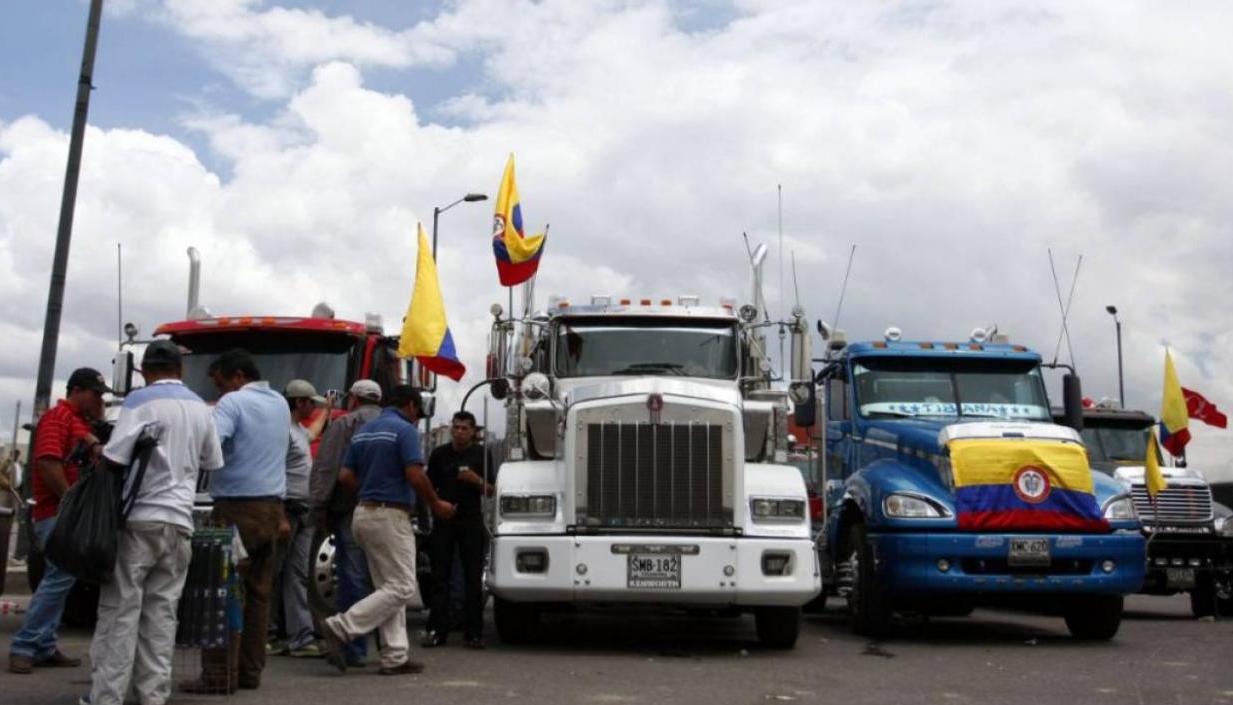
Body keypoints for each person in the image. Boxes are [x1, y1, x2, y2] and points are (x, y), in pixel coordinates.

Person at [84, 341, 224, 705]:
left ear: (145, 370)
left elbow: (115, 456)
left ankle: (106, 698)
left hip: (139, 520)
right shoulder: (201, 408)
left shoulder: (138, 401)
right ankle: (152, 696)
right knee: (162, 616)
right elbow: (212, 460)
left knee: (120, 611)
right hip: (180, 523)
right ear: (181, 370)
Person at [320, 386, 454, 676]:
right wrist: (436, 504)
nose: (417, 418)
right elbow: (415, 475)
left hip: (363, 513)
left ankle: (395, 656)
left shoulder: (365, 431)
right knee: (403, 586)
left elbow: (344, 476)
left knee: (388, 587)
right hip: (390, 516)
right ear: (410, 406)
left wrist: (369, 490)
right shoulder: (404, 431)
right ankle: (341, 627)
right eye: (417, 412)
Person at [182, 348, 290, 693]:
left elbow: (210, 445)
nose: (219, 392)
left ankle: (218, 676)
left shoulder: (233, 404)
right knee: (259, 595)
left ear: (238, 377)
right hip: (271, 509)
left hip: (236, 510)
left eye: (220, 383)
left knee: (222, 590)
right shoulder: (280, 403)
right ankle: (249, 673)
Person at [8, 368, 108, 674]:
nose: (98, 400)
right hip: (56, 514)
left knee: (61, 581)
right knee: (57, 579)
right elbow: (48, 463)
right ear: (77, 390)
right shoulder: (58, 418)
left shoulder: (78, 422)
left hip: (63, 514)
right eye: (95, 394)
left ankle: (45, 645)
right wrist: (70, 502)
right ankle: (25, 646)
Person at [308, 379, 382, 667]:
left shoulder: (344, 424)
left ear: (353, 399)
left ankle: (352, 646)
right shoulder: (396, 426)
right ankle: (388, 646)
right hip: (389, 513)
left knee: (351, 577)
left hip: (350, 509)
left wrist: (316, 509)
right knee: (385, 581)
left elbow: (327, 469)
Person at [422, 411, 493, 649]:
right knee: (440, 576)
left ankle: (473, 632)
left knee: (473, 577)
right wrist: (436, 506)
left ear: (473, 431)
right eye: (457, 427)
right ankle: (436, 630)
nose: (460, 432)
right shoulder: (439, 455)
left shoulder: (481, 455)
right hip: (444, 521)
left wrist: (476, 480)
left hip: (471, 521)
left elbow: (492, 490)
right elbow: (428, 486)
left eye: (465, 428)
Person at [272, 379, 330, 658]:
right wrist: (280, 514)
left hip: (302, 509)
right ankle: (270, 634)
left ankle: (299, 636)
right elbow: (275, 473)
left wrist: (327, 411)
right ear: (299, 402)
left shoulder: (296, 430)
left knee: (296, 574)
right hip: (289, 509)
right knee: (274, 573)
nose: (312, 407)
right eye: (310, 403)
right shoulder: (283, 433)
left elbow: (313, 432)